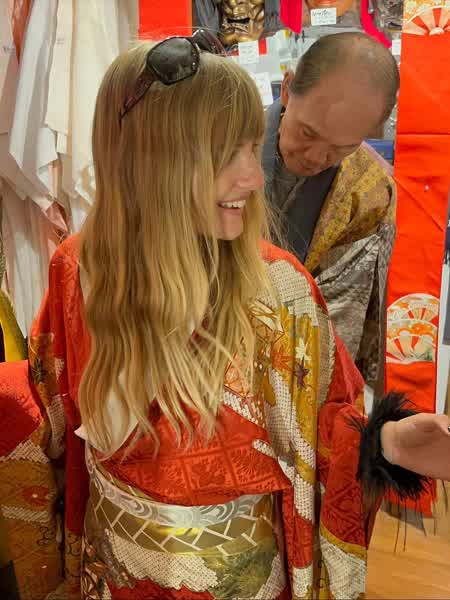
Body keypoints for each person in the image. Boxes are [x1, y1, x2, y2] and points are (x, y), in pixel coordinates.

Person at [0, 33, 425, 600]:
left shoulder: (283, 289)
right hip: (115, 570)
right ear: (150, 157)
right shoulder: (79, 268)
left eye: (253, 147)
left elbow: (327, 418)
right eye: (227, 154)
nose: (254, 177)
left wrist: (389, 444)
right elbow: (49, 411)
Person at [263, 32, 399, 396]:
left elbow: (338, 319)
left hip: (298, 379)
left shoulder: (369, 192)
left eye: (342, 147)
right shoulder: (219, 147)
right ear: (287, 89)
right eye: (307, 133)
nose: (316, 157)